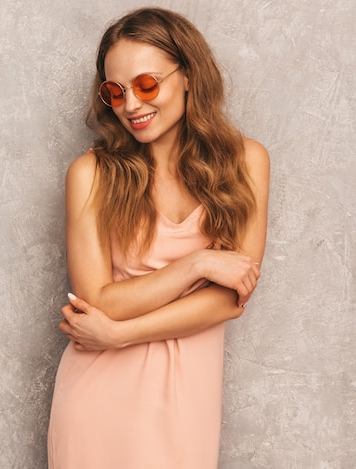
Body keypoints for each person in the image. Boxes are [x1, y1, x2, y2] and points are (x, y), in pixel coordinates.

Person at [47, 7, 269, 469]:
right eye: (115, 91)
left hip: (187, 403)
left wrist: (119, 334)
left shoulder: (247, 162)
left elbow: (230, 300)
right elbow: (97, 300)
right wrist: (197, 264)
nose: (131, 105)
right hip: (97, 400)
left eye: (147, 84)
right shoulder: (91, 174)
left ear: (188, 75)